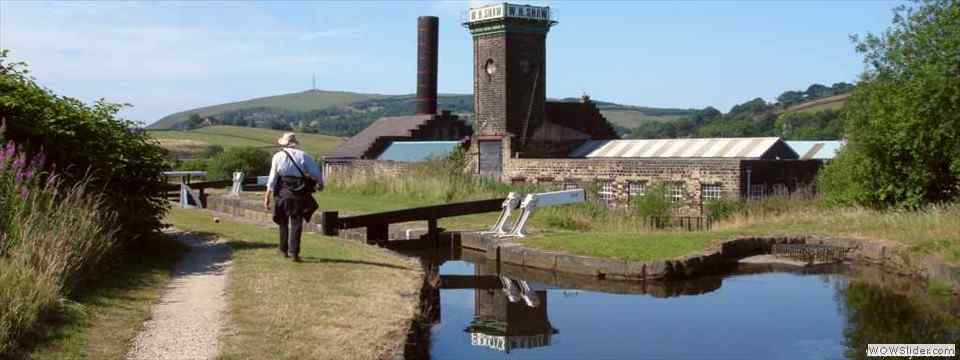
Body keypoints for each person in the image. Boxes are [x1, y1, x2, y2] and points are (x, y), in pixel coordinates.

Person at [263, 133, 323, 262]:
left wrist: (266, 196)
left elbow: (272, 178)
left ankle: (283, 250)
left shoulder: (277, 156)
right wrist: (321, 184)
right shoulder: (304, 156)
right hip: (299, 193)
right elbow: (316, 173)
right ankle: (295, 252)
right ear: (295, 143)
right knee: (296, 223)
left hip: (282, 193)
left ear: (284, 144)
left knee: (283, 221)